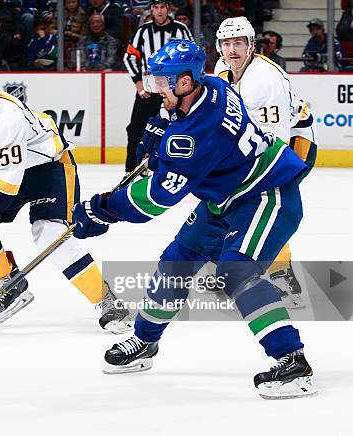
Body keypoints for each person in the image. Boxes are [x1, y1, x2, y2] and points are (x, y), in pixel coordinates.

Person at [72, 39, 316, 400]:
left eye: (162, 82)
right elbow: (179, 127)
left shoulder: (193, 135)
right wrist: (159, 126)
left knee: (237, 271)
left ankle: (292, 361)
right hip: (225, 197)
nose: (157, 89)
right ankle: (145, 341)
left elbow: (155, 200)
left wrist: (103, 209)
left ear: (185, 82)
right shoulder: (214, 85)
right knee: (176, 261)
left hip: (266, 194)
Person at [0, 60, 132, 332]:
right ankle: (10, 283)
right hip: (5, 168)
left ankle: (105, 299)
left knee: (48, 234)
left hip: (48, 167)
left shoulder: (7, 118)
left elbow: (4, 190)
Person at [214, 17, 317, 309]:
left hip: (292, 146)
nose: (232, 50)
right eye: (226, 43)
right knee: (236, 204)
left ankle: (283, 279)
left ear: (251, 46)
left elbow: (275, 141)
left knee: (266, 205)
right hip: (257, 143)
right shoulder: (223, 69)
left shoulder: (266, 78)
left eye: (238, 43)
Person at [122, 0, 192, 174]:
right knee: (136, 128)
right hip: (149, 89)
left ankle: (181, 167)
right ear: (151, 9)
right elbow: (129, 57)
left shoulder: (181, 30)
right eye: (156, 7)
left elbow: (191, 55)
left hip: (175, 90)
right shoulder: (143, 31)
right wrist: (139, 83)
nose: (159, 11)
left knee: (179, 126)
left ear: (168, 9)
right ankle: (132, 169)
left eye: (162, 7)